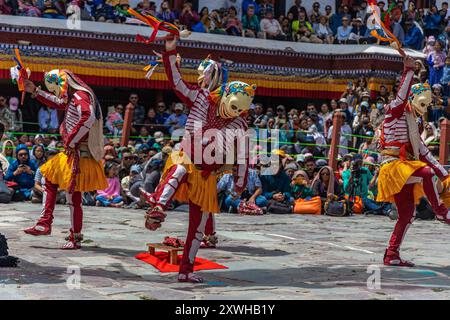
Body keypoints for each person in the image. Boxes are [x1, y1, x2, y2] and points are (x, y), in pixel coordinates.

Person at [140, 36, 254, 283]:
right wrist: (170, 50)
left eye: (239, 110)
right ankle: (159, 206)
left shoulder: (240, 125)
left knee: (198, 227)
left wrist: (239, 185)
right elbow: (177, 82)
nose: (232, 112)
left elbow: (244, 157)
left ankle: (186, 271)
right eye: (232, 106)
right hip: (187, 158)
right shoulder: (202, 97)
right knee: (180, 168)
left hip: (208, 175)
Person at [21, 69, 107, 250]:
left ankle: (72, 236)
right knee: (50, 179)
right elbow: (58, 102)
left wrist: (71, 140)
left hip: (78, 155)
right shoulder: (74, 96)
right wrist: (35, 91)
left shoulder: (79, 96)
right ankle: (47, 223)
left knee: (72, 197)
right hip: (73, 153)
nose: (55, 94)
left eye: (54, 89)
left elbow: (88, 116)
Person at [377, 56, 450, 267]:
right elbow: (401, 98)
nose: (425, 108)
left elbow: (423, 150)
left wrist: (444, 174)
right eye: (423, 102)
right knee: (426, 173)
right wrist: (408, 71)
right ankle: (441, 212)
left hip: (405, 168)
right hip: (393, 167)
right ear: (412, 97)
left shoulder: (414, 124)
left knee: (407, 215)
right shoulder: (394, 111)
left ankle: (391, 255)